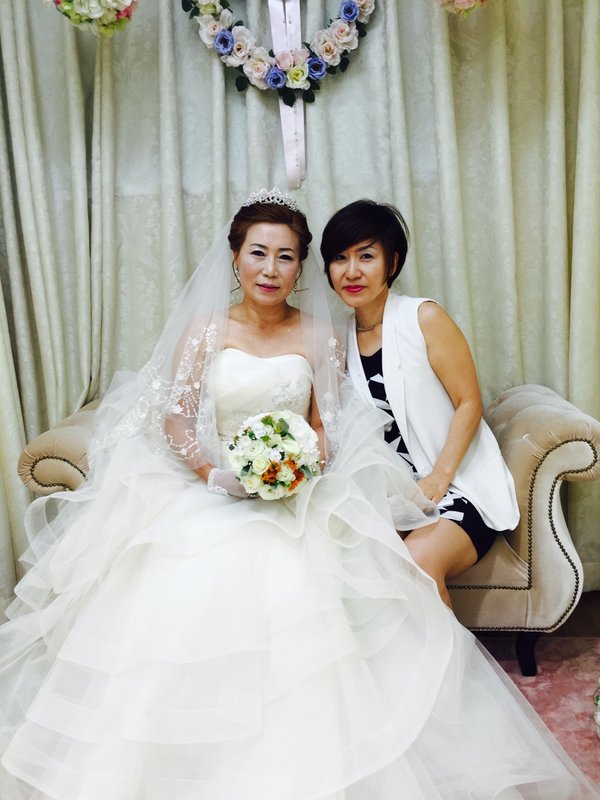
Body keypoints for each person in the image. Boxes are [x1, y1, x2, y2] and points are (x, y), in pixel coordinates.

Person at [0, 190, 596, 799]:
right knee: (186, 574)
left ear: (302, 268)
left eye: (285, 257)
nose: (270, 269)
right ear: (235, 258)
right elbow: (177, 418)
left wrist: (299, 465)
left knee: (327, 575)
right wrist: (213, 473)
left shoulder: (323, 334)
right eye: (258, 253)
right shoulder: (206, 331)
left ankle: (419, 708)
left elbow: (324, 423)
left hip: (298, 490)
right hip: (212, 485)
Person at [321, 199, 519, 607]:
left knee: (416, 563)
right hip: (392, 497)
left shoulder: (424, 317)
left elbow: (468, 402)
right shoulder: (337, 341)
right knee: (343, 567)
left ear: (392, 263)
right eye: (339, 258)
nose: (351, 271)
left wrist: (438, 479)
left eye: (366, 256)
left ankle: (454, 656)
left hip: (459, 486)